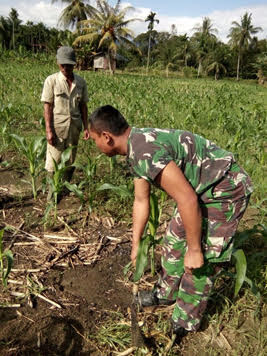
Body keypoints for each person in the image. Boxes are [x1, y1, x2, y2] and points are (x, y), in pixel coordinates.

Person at [88, 105, 253, 337]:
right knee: (174, 239)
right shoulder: (135, 147)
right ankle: (165, 293)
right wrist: (136, 244)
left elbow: (186, 199)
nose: (95, 145)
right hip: (199, 190)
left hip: (224, 188)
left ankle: (184, 321)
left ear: (107, 137)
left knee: (201, 261)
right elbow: (140, 200)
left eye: (94, 139)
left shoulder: (145, 151)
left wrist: (195, 249)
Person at [41, 46, 89, 200]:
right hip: (57, 128)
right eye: (63, 65)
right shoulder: (52, 81)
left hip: (74, 127)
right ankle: (51, 196)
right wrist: (49, 130)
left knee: (70, 159)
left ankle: (65, 188)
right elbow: (47, 106)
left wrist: (86, 127)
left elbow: (83, 106)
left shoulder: (80, 82)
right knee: (53, 161)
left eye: (69, 65)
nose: (66, 68)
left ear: (74, 64)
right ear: (58, 63)